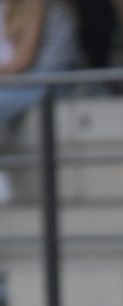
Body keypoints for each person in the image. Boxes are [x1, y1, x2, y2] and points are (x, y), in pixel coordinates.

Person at [0, 0, 79, 204]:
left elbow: (24, 59)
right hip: (30, 78)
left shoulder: (36, 4)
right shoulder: (14, 7)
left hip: (50, 78)